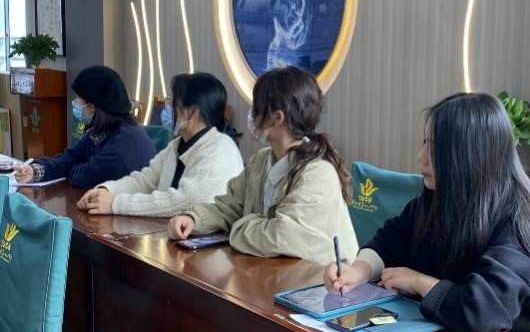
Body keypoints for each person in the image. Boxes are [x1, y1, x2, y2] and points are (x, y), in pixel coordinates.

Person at [325, 93, 530, 332]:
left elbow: (484, 311)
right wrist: (358, 271)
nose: (421, 157)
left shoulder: (519, 219)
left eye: (435, 148)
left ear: (469, 154)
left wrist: (419, 282)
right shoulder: (441, 196)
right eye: (424, 143)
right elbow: (391, 241)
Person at [167, 66, 358, 265]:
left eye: (256, 108)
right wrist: (194, 219)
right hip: (273, 273)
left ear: (277, 118)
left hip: (320, 280)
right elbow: (229, 207)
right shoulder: (261, 160)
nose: (252, 115)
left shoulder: (318, 173)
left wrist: (240, 226)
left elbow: (284, 236)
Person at [76, 72, 244, 217]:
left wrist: (116, 203)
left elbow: (188, 201)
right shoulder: (176, 146)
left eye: (174, 104)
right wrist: (107, 191)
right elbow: (144, 180)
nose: (168, 109)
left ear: (193, 112)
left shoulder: (220, 148)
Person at [14, 65, 156, 189]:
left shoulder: (124, 143)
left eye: (78, 98)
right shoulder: (100, 132)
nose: (75, 102)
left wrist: (73, 168)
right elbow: (69, 158)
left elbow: (85, 177)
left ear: (93, 106)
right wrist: (35, 170)